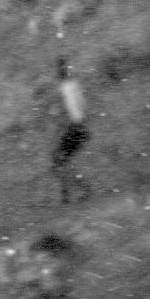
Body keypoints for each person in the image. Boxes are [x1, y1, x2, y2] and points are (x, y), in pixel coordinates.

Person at [48, 52, 90, 198]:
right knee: (60, 160)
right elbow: (82, 106)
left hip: (76, 127)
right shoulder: (72, 85)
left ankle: (74, 190)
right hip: (78, 127)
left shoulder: (65, 87)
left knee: (59, 160)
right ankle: (69, 191)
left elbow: (67, 110)